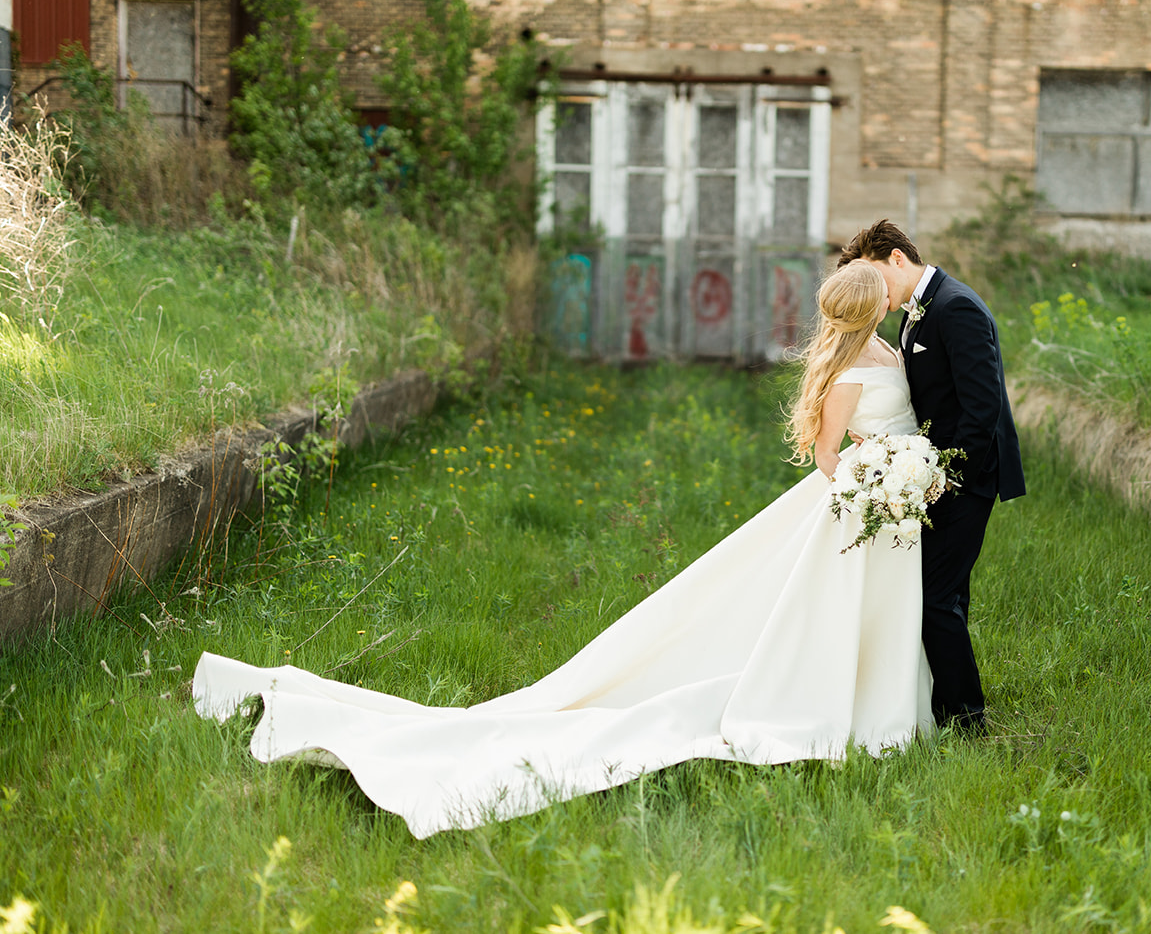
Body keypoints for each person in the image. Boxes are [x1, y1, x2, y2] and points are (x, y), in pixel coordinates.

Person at [193, 261, 934, 839]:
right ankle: (841, 710)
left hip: (894, 511)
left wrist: (905, 471)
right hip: (859, 510)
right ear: (870, 306)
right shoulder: (844, 374)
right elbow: (828, 455)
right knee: (830, 616)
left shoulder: (893, 351)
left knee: (888, 619)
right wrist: (874, 485)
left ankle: (890, 710)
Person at [839, 221, 1024, 734]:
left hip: (966, 475)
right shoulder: (917, 310)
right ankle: (945, 708)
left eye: (875, 277)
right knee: (945, 596)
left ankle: (966, 720)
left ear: (897, 259)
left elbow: (981, 407)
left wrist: (945, 475)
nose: (875, 293)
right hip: (927, 472)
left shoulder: (955, 306)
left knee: (934, 598)